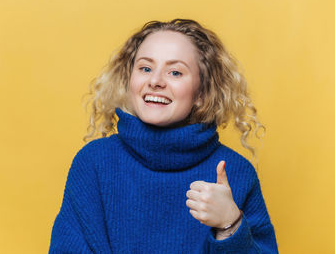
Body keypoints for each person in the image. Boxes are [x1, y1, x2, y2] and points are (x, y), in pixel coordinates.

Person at [48, 19, 278, 253]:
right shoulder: (93, 163)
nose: (155, 81)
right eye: (145, 68)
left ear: (201, 93)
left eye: (175, 72)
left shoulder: (236, 173)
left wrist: (230, 226)